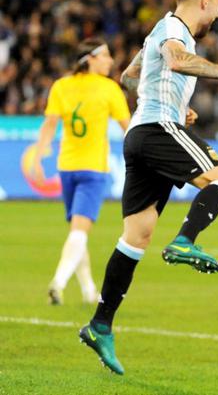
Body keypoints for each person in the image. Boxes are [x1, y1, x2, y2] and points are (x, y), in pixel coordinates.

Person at [78, 0, 218, 375]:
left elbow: (130, 77)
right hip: (156, 128)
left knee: (136, 237)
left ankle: (100, 324)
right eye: (217, 4)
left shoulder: (156, 32)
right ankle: (185, 239)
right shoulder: (175, 29)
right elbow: (177, 60)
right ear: (204, 0)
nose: (217, 14)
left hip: (142, 132)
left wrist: (172, 98)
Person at [34, 38, 130, 306]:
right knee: (79, 233)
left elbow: (49, 125)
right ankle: (59, 282)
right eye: (106, 55)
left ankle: (89, 291)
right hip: (93, 170)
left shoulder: (61, 86)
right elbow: (129, 129)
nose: (111, 61)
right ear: (90, 59)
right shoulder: (110, 89)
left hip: (66, 168)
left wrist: (38, 158)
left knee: (77, 232)